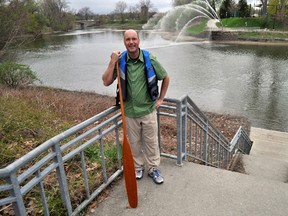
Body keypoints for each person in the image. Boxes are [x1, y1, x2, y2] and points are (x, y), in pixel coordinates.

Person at [102, 29, 170, 184]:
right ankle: (138, 167)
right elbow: (106, 81)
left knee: (151, 142)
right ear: (124, 42)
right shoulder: (120, 61)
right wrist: (112, 61)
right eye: (128, 39)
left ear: (139, 40)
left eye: (134, 39)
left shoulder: (149, 59)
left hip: (148, 111)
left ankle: (153, 169)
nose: (131, 42)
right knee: (134, 143)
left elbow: (165, 77)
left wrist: (160, 99)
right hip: (129, 112)